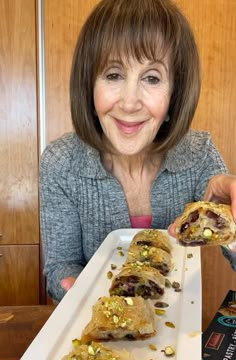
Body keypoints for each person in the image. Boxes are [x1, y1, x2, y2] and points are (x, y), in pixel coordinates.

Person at [39, 0, 236, 303]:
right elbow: (59, 268)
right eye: (113, 74)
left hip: (178, 336)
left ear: (175, 92)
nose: (129, 103)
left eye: (152, 78)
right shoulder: (60, 163)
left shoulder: (199, 155)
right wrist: (77, 288)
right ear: (89, 84)